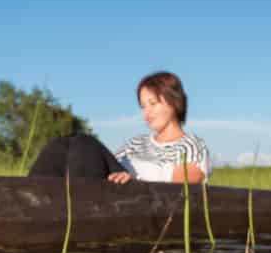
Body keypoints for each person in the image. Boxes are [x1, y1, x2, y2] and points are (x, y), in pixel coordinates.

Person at [28, 71, 210, 184]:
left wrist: (133, 174)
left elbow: (188, 179)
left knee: (84, 142)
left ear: (174, 102)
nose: (147, 112)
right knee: (62, 145)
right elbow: (104, 166)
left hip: (145, 197)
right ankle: (28, 202)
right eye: (143, 106)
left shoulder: (191, 144)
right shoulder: (136, 143)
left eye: (152, 103)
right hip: (115, 188)